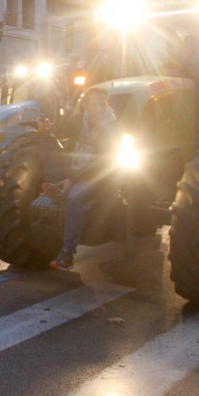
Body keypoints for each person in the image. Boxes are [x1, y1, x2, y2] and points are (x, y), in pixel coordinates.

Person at [43, 86, 120, 270]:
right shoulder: (78, 121)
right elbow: (59, 132)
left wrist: (73, 180)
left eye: (102, 104)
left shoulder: (112, 128)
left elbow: (101, 164)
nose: (98, 109)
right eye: (94, 105)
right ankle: (59, 186)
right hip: (74, 171)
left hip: (97, 177)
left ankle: (68, 253)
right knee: (47, 149)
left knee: (74, 198)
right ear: (85, 106)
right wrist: (48, 128)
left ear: (107, 104)